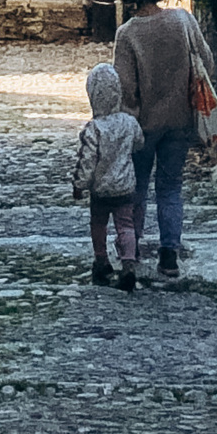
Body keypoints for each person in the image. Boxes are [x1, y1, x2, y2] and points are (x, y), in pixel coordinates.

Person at [113, 0, 213, 282]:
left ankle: (133, 248)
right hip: (181, 120)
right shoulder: (183, 21)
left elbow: (125, 88)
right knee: (171, 188)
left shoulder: (127, 35)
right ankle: (169, 254)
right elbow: (207, 62)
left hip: (143, 125)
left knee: (137, 188)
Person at [72, 63, 140, 291]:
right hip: (125, 187)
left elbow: (87, 160)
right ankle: (129, 264)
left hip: (101, 189)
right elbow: (139, 142)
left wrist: (80, 185)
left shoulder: (94, 129)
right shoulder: (129, 123)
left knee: (99, 224)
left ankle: (101, 261)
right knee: (126, 225)